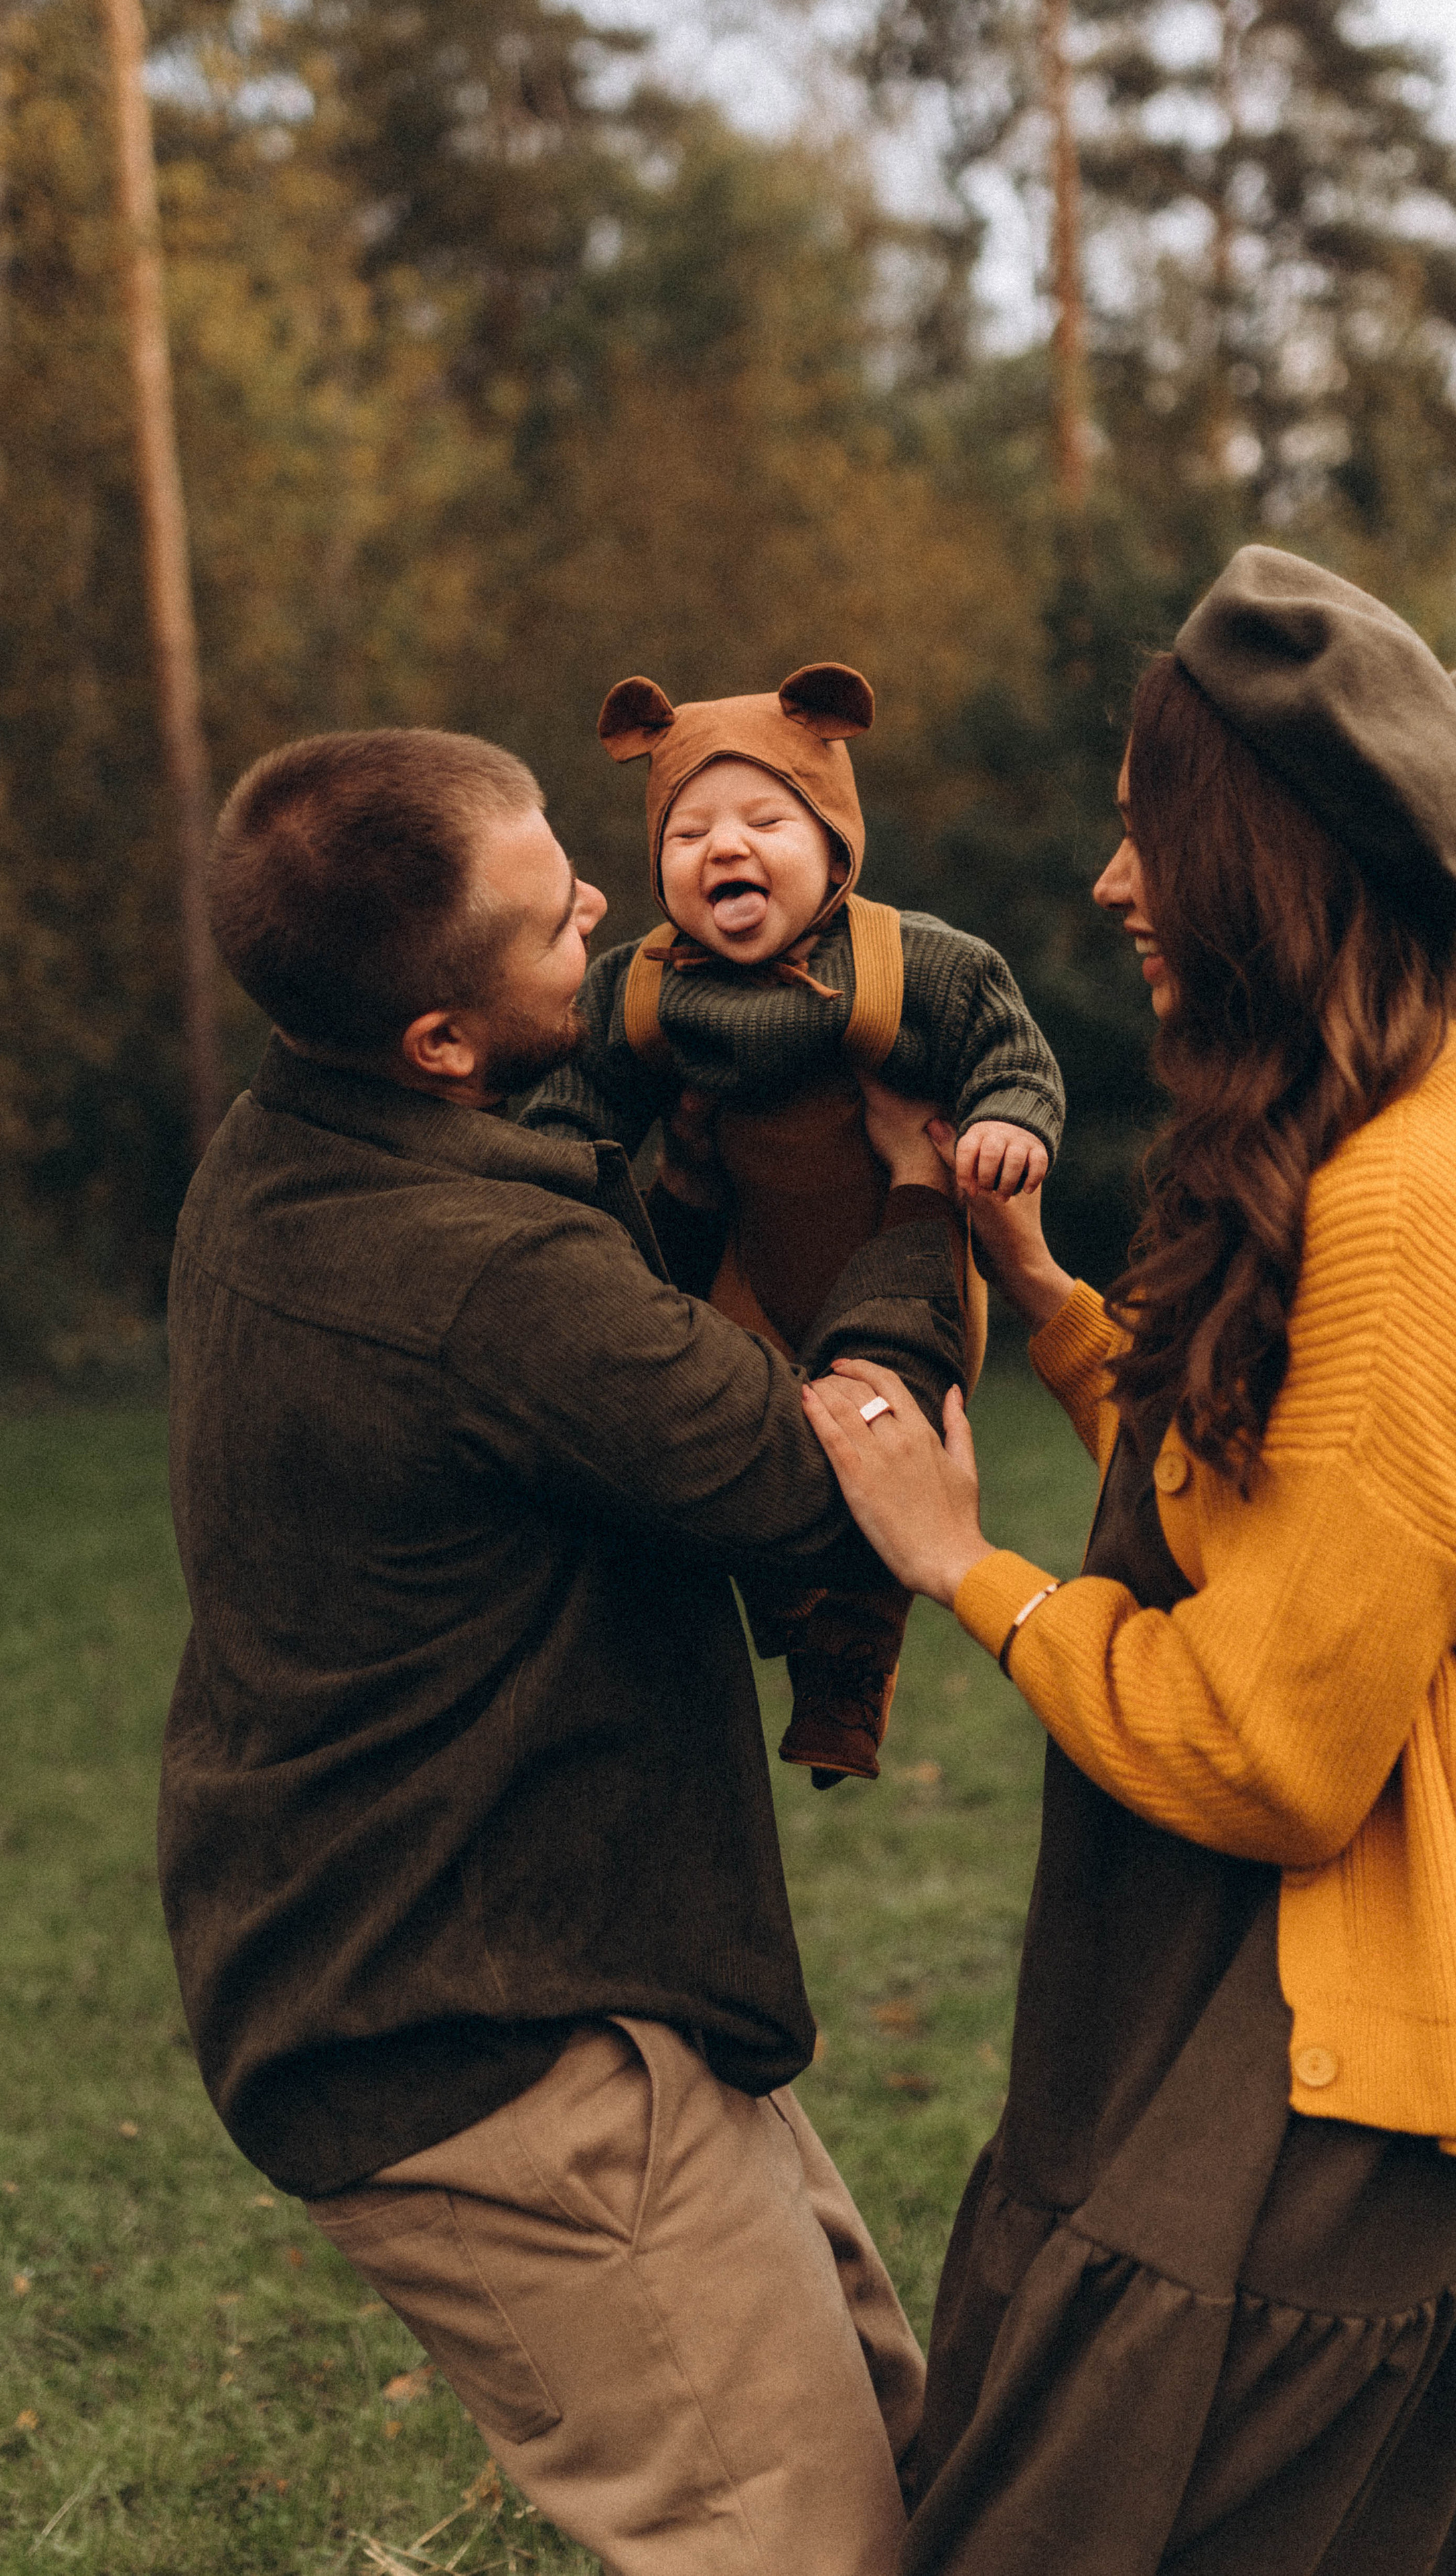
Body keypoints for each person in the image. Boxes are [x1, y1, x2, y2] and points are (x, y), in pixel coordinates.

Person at [802, 549, 1456, 2573]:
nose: (1110, 887)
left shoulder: (1405, 1214)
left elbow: (1272, 1744)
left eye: (1147, 833)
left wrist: (964, 1566)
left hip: (1353, 2053)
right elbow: (1274, 1506)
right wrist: (1055, 1301)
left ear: (1266, 862)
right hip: (1257, 1990)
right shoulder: (1371, 1112)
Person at [157, 724, 972, 2576]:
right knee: (806, 2551)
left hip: (533, 1966)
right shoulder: (481, 1276)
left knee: (912, 2482)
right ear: (439, 1040)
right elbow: (826, 1484)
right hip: (488, 2048)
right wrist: (913, 1209)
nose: (605, 908)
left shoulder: (283, 1151)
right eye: (551, 922)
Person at [525, 659, 1064, 1785]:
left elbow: (1007, 1045)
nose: (725, 849)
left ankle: (850, 1670)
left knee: (878, 1441)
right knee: (728, 1439)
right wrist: (551, 1172)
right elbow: (574, 1104)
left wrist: (1013, 1120)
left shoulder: (910, 961)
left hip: (892, 1265)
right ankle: (787, 1611)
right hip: (744, 1276)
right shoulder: (641, 989)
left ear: (835, 844)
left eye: (766, 818)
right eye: (688, 835)